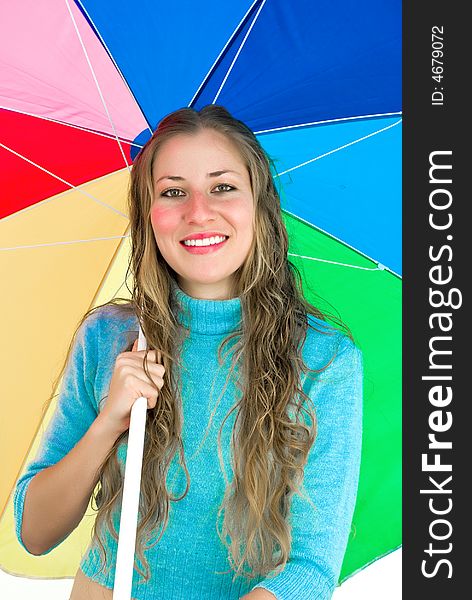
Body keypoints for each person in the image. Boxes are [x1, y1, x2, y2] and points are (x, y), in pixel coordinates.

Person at [13, 105, 363, 600]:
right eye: (173, 191)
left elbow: (310, 569)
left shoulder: (326, 362)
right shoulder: (108, 337)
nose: (198, 211)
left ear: (260, 205)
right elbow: (35, 532)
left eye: (222, 186)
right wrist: (109, 420)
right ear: (149, 214)